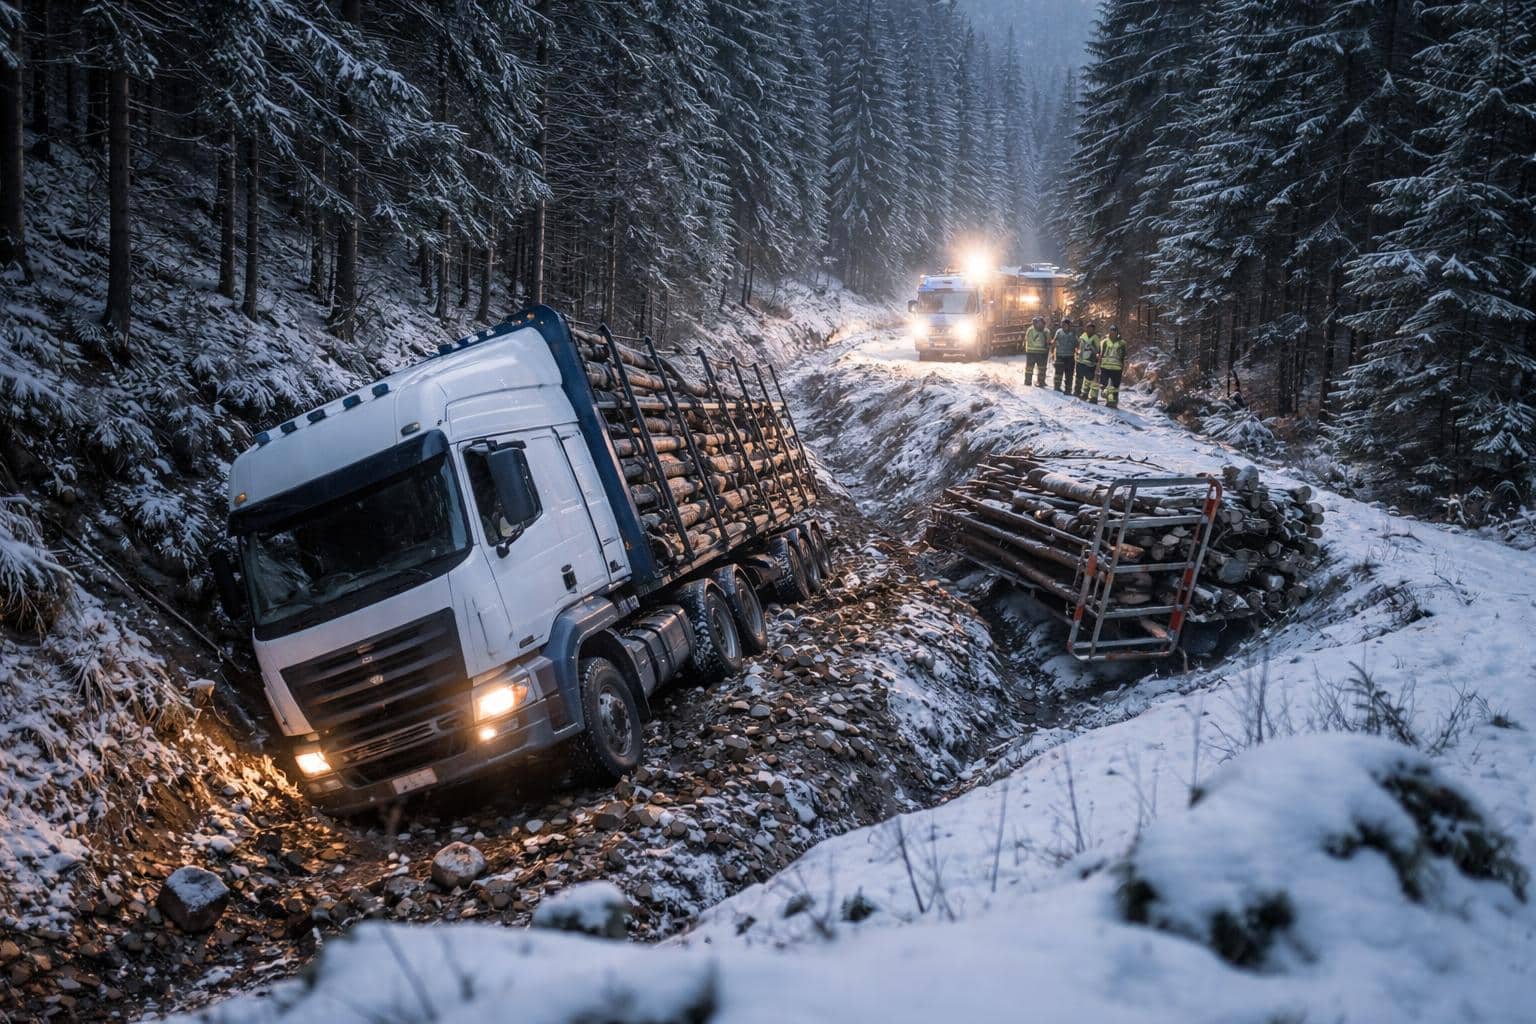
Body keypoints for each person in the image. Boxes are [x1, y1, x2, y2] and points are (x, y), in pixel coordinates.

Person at [1095, 324, 1127, 408]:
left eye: (1114, 331)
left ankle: (1112, 402)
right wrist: (1098, 364)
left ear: (1117, 332)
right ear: (1109, 331)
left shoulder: (1122, 343)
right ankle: (1106, 395)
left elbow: (1124, 356)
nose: (1112, 332)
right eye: (1111, 331)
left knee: (1114, 387)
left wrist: (1124, 367)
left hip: (1117, 368)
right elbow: (1100, 354)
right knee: (1103, 385)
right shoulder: (1104, 342)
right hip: (1105, 367)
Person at [1074, 321, 1100, 401]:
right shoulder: (1082, 336)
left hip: (1090, 363)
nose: (1090, 330)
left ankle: (1085, 394)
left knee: (1088, 379)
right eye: (1088, 328)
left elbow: (1098, 350)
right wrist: (1077, 353)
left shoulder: (1096, 338)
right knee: (1079, 377)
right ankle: (1077, 391)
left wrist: (1095, 358)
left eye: (1091, 328)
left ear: (1094, 330)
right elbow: (1078, 346)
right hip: (1081, 361)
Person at [1052, 317, 1077, 394]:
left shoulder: (1073, 333)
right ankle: (1057, 386)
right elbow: (1054, 341)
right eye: (1063, 325)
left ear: (1069, 325)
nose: (1064, 326)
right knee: (1058, 373)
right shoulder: (1059, 332)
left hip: (1070, 356)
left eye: (1066, 325)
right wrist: (1052, 351)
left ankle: (1068, 389)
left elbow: (1077, 343)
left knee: (1069, 374)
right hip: (1060, 355)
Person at [1023, 316, 1049, 387]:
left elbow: (1026, 339)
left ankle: (1027, 381)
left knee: (1029, 368)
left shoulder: (1029, 330)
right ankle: (1041, 382)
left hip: (1030, 352)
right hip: (1042, 353)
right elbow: (1048, 341)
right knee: (1042, 368)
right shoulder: (1046, 331)